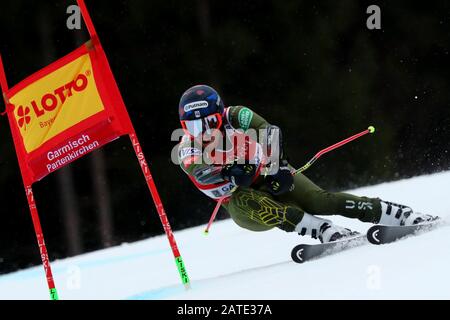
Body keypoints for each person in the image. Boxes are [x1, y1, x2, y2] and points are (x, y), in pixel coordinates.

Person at [177, 85, 436, 243]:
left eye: (208, 123)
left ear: (219, 115)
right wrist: (228, 171)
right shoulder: (187, 146)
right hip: (240, 203)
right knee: (248, 200)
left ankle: (394, 213)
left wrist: (276, 165)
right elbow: (199, 170)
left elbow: (269, 130)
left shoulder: (235, 115)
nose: (202, 131)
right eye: (192, 126)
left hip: (265, 174)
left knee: (320, 201)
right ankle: (321, 230)